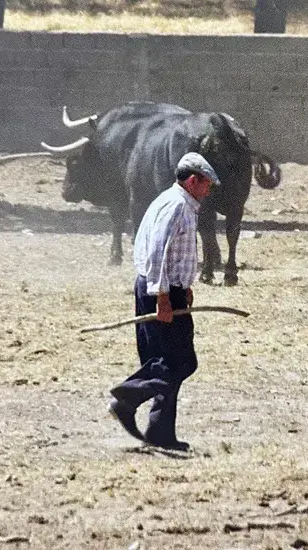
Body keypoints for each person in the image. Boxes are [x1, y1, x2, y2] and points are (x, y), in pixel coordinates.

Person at [107, 152, 220, 451]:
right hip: (161, 290)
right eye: (207, 184)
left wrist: (186, 286)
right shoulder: (177, 205)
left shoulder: (175, 202)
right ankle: (127, 398)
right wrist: (162, 296)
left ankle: (160, 434)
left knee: (165, 361)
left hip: (168, 288)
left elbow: (173, 252)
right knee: (180, 362)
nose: (209, 191)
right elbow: (157, 251)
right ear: (194, 181)